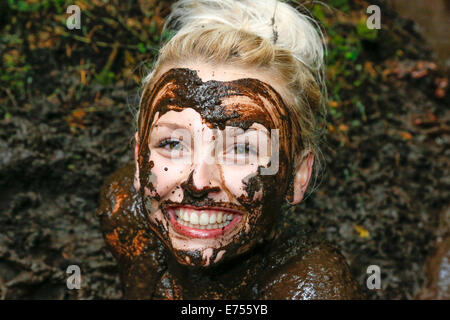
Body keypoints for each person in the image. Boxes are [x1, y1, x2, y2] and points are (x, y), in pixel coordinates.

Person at [97, 0, 363, 299]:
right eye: (172, 143)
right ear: (139, 159)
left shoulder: (311, 291)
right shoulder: (124, 214)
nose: (198, 182)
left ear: (298, 175)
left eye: (241, 150)